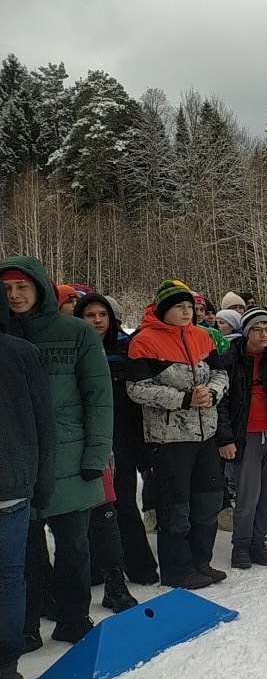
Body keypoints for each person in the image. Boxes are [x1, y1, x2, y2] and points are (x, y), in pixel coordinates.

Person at [1, 257, 111, 648]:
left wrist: (96, 455)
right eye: (7, 288)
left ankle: (72, 618)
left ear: (40, 289)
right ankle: (26, 625)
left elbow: (99, 397)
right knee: (24, 556)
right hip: (19, 463)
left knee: (74, 549)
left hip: (71, 459)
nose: (14, 295)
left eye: (22, 287)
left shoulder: (76, 332)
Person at [126, 280, 230, 590]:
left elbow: (220, 373)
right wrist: (184, 398)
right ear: (163, 311)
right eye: (179, 307)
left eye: (190, 307)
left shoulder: (202, 336)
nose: (187, 312)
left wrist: (212, 392)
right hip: (169, 440)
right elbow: (136, 389)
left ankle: (201, 562)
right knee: (176, 508)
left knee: (209, 501)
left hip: (205, 435)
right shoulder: (144, 341)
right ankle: (176, 570)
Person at [73, 294, 158, 586]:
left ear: (111, 318)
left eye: (102, 314)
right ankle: (97, 567)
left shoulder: (127, 348)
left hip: (123, 435)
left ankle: (139, 565)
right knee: (91, 505)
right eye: (90, 315)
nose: (97, 320)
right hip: (86, 437)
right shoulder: (75, 348)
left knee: (123, 502)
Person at [0, 291, 55, 679]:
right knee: (8, 577)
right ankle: (5, 667)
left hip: (12, 483)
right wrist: (44, 481)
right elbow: (43, 422)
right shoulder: (21, 353)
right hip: (12, 482)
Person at [216, 308, 267, 569]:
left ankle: (259, 541)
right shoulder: (230, 360)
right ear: (247, 331)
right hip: (244, 435)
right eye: (257, 329)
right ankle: (241, 546)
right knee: (247, 495)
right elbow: (221, 404)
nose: (264, 334)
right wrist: (225, 439)